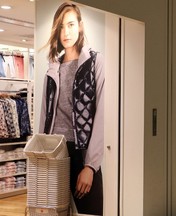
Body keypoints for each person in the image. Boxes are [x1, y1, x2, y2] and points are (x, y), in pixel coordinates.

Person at [39, 2, 104, 215]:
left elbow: (102, 115)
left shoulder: (94, 62)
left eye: (70, 25)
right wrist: (40, 156)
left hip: (81, 153)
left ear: (80, 26)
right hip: (55, 152)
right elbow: (44, 116)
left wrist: (91, 166)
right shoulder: (53, 67)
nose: (66, 32)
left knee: (90, 213)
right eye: (60, 27)